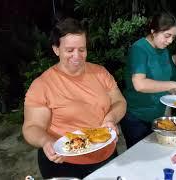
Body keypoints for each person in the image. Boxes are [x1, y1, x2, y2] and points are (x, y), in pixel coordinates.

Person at [22, 17, 126, 179]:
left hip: (106, 154)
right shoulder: (42, 85)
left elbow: (120, 102)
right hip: (64, 163)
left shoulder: (100, 72)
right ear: (56, 49)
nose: (77, 56)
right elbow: (31, 127)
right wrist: (45, 141)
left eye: (82, 49)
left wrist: (111, 118)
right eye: (70, 50)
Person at [120, 12, 176, 149]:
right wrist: (174, 84)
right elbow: (139, 84)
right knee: (139, 160)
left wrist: (174, 91)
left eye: (173, 37)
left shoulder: (164, 50)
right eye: (167, 36)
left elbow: (161, 81)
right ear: (153, 31)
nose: (170, 41)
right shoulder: (139, 49)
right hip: (136, 117)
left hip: (157, 116)